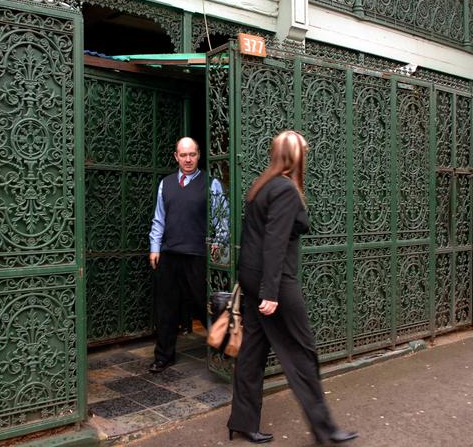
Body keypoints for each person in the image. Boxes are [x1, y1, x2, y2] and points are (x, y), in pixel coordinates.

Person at [227, 131, 358, 445]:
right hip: (276, 283)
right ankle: (325, 429)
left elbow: (254, 239)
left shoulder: (261, 186)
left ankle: (243, 422)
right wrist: (270, 292)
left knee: (252, 353)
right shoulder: (285, 189)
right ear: (295, 157)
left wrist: (253, 284)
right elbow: (273, 243)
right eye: (303, 150)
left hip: (254, 278)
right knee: (302, 353)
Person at [148, 137, 224, 373]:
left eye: (192, 154)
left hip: (197, 255)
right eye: (183, 155)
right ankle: (163, 357)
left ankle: (224, 353)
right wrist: (155, 247)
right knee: (166, 309)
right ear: (176, 157)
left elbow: (221, 217)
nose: (188, 159)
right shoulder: (166, 184)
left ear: (199, 155)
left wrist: (220, 241)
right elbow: (159, 218)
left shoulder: (211, 184)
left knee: (203, 306)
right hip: (169, 254)